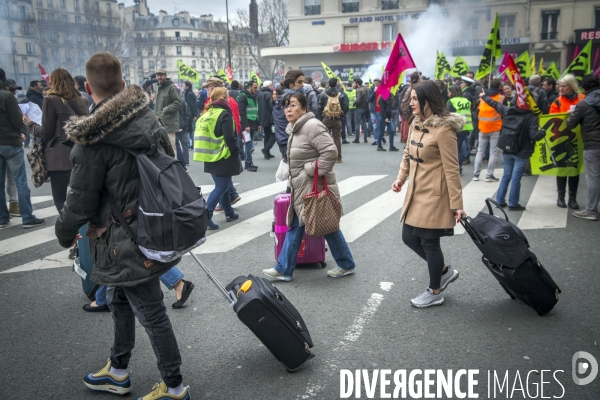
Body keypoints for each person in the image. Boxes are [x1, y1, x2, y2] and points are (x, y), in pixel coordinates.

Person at [55, 53, 190, 399]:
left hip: (121, 239)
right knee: (118, 301)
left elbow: (80, 197)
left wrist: (63, 230)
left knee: (150, 311)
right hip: (152, 227)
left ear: (87, 88)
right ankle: (118, 369)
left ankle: (175, 387)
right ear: (124, 84)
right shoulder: (148, 119)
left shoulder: (92, 139)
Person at [262, 93, 356, 281]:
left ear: (304, 107)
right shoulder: (295, 128)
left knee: (307, 224)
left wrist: (310, 170)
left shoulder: (312, 126)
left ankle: (284, 269)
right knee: (315, 224)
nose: (288, 109)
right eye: (285, 106)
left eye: (293, 105)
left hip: (313, 185)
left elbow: (330, 152)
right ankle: (345, 263)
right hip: (301, 186)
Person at [391, 80, 465, 308]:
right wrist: (401, 178)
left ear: (427, 100)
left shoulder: (444, 130)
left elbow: (452, 169)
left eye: (415, 98)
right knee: (408, 237)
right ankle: (444, 271)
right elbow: (407, 154)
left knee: (429, 243)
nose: (410, 103)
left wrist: (457, 204)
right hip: (416, 191)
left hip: (435, 194)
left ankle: (435, 291)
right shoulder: (417, 122)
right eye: (410, 98)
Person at [25, 68, 89, 215]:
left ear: (53, 82)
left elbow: (45, 132)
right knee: (81, 198)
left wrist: (29, 123)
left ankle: (70, 232)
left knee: (60, 200)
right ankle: (82, 232)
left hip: (59, 157)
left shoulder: (50, 99)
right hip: (81, 155)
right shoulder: (83, 100)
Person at [480, 89, 545, 211]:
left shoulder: (508, 111)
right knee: (516, 178)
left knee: (506, 176)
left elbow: (495, 104)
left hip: (507, 149)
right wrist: (543, 132)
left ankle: (500, 200)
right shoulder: (532, 116)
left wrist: (484, 96)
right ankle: (513, 203)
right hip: (522, 151)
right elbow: (534, 136)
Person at [0, 68, 45, 229]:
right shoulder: (7, 96)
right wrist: (21, 131)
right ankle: (27, 217)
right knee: (20, 180)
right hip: (11, 142)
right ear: (4, 79)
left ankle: (2, 217)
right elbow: (17, 120)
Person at [193, 87, 242, 230]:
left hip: (209, 155)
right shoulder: (224, 114)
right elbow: (230, 137)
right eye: (227, 96)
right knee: (222, 186)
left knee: (224, 185)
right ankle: (206, 216)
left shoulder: (207, 114)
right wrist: (236, 151)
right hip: (222, 155)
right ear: (224, 98)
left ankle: (229, 212)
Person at [549, 74, 585, 209]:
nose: (561, 88)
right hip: (561, 139)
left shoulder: (583, 99)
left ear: (572, 86)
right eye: (560, 86)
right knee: (562, 169)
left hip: (578, 139)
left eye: (564, 86)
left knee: (574, 169)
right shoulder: (557, 102)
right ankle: (560, 198)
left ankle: (573, 199)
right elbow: (551, 120)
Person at [567, 75, 600, 221]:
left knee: (593, 178)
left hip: (593, 144)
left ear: (584, 88)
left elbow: (570, 124)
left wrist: (571, 114)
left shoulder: (584, 104)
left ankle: (591, 210)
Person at [473, 79, 505, 182]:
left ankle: (476, 175)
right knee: (493, 153)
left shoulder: (483, 97)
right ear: (500, 86)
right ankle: (489, 175)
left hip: (482, 128)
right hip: (495, 128)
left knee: (480, 152)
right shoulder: (501, 98)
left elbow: (478, 110)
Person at [318, 78, 348, 162]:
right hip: (337, 119)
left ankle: (327, 157)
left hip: (326, 118)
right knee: (337, 137)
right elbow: (345, 107)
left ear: (328, 84)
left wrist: (320, 118)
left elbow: (319, 107)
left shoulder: (323, 94)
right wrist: (342, 115)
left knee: (325, 138)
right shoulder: (341, 94)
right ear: (336, 84)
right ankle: (338, 157)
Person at [154, 68, 183, 152]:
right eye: (158, 75)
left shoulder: (172, 87)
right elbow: (157, 105)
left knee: (171, 148)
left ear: (165, 76)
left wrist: (166, 109)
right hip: (158, 124)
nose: (159, 77)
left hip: (169, 124)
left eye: (161, 75)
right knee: (161, 149)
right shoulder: (158, 88)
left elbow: (179, 102)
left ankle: (174, 165)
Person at [446, 85, 472, 175]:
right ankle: (459, 169)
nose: (448, 94)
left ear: (452, 92)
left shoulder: (451, 101)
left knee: (455, 149)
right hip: (466, 127)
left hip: (456, 127)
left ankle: (457, 169)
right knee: (459, 148)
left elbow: (447, 115)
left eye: (449, 92)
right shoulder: (467, 101)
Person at [237, 80, 260, 172]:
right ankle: (248, 163)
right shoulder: (243, 97)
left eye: (256, 87)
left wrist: (258, 123)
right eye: (254, 87)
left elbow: (255, 111)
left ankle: (248, 163)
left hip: (252, 122)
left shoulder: (253, 96)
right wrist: (246, 125)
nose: (256, 89)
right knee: (248, 144)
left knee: (249, 144)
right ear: (249, 87)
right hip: (246, 124)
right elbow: (242, 112)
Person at [257, 80, 276, 159]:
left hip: (263, 117)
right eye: (271, 85)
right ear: (268, 86)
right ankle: (266, 149)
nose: (272, 86)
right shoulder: (268, 94)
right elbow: (271, 106)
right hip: (269, 117)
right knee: (274, 135)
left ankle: (266, 152)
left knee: (267, 135)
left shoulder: (260, 93)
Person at [273, 87, 289, 160]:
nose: (273, 96)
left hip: (281, 137)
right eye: (273, 94)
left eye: (275, 94)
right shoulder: (276, 106)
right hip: (283, 136)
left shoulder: (277, 106)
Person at [353, 78, 370, 143]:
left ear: (357, 83)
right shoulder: (366, 89)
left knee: (357, 123)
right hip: (366, 108)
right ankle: (365, 138)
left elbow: (358, 99)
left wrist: (354, 104)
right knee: (364, 123)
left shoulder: (359, 90)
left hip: (359, 108)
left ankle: (357, 139)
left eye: (355, 83)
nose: (354, 84)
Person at [183, 80, 199, 148]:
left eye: (184, 85)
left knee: (190, 130)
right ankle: (193, 144)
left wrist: (192, 115)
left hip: (190, 115)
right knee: (191, 130)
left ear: (187, 86)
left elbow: (190, 106)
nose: (183, 87)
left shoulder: (188, 94)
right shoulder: (190, 93)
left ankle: (192, 144)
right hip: (193, 114)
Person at [368, 78, 382, 143]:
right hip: (373, 111)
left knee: (380, 125)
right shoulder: (371, 89)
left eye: (377, 83)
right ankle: (376, 139)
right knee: (375, 126)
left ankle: (380, 138)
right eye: (375, 83)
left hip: (380, 110)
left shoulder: (382, 89)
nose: (376, 85)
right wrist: (374, 92)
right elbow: (369, 99)